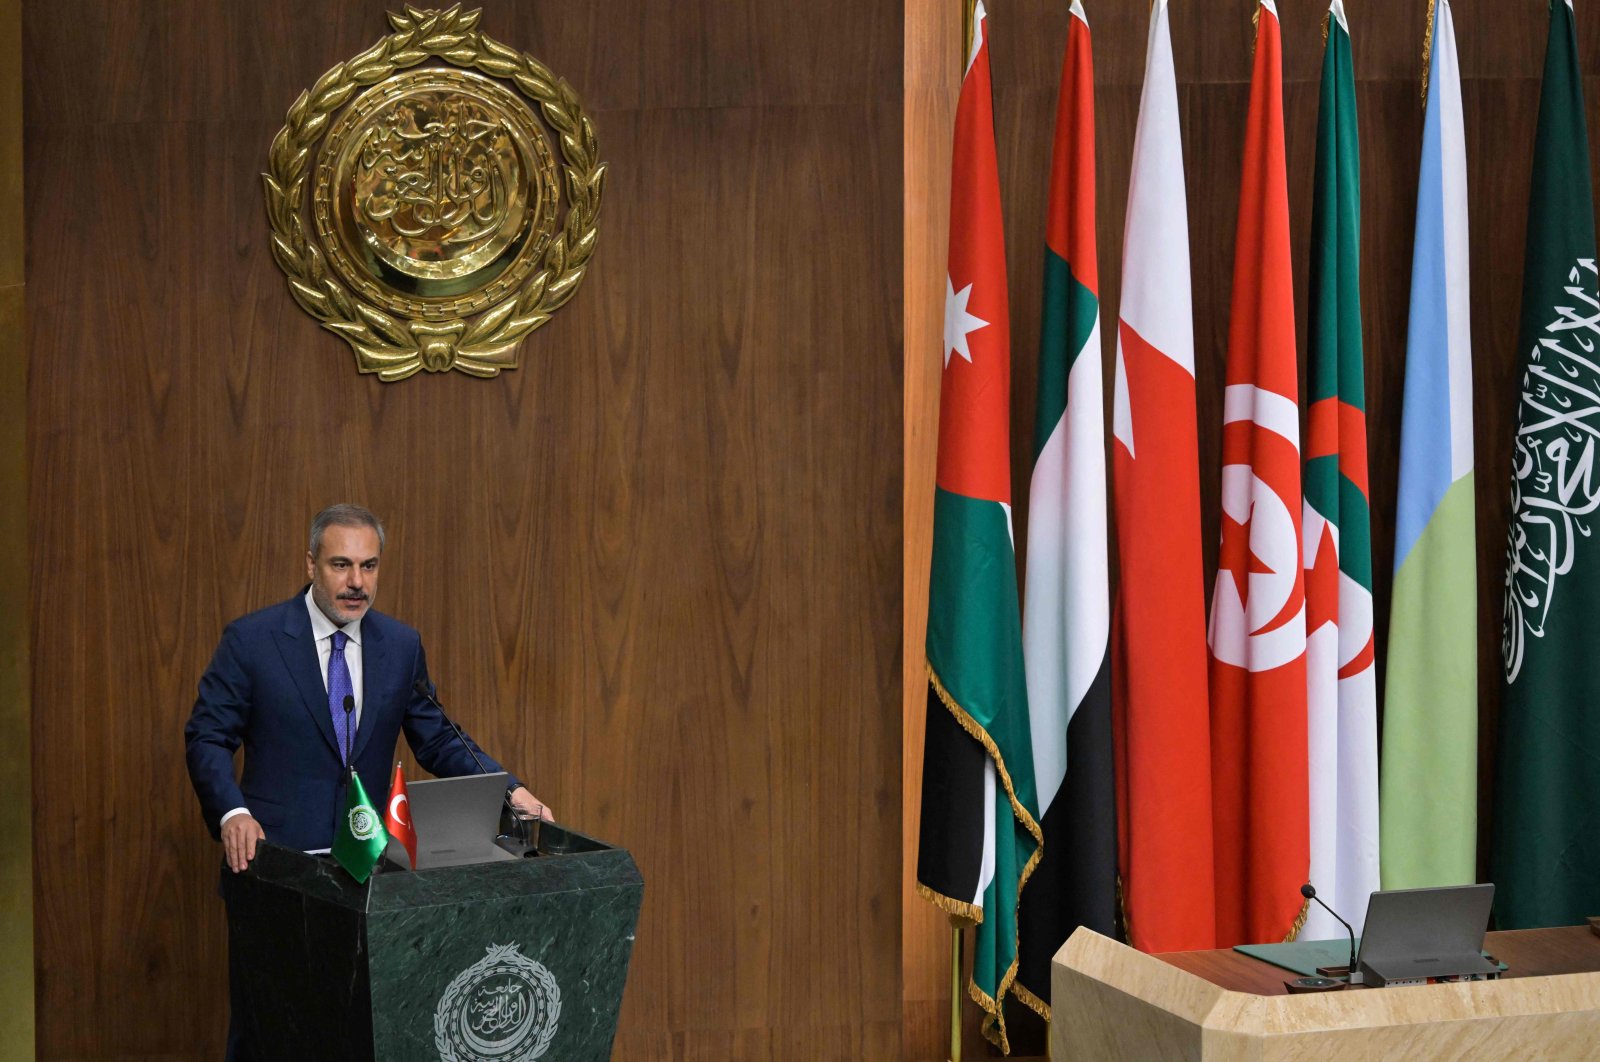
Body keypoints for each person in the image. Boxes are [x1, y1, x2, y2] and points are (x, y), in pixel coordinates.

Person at [185, 503, 551, 870]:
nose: (357, 582)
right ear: (312, 564)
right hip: (275, 861)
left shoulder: (400, 645)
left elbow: (438, 738)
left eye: (368, 566)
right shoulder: (252, 640)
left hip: (371, 867)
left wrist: (509, 791)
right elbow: (208, 736)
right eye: (341, 565)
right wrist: (232, 813)